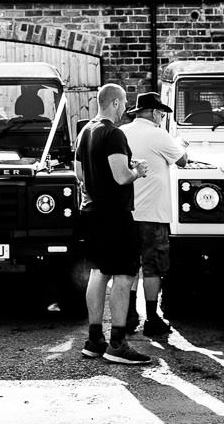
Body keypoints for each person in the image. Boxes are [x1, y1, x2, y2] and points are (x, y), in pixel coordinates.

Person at [75, 83, 154, 365]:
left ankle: (94, 340)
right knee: (124, 274)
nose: (124, 110)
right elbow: (122, 176)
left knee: (99, 271)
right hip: (114, 214)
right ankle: (118, 344)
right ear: (117, 104)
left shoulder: (84, 131)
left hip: (91, 210)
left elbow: (79, 174)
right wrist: (138, 170)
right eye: (124, 104)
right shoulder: (113, 133)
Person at [120, 92, 187, 338]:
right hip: (154, 213)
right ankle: (152, 317)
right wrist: (181, 145)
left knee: (128, 265)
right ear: (156, 112)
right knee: (152, 267)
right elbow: (183, 161)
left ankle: (126, 315)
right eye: (160, 113)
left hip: (127, 211)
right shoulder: (160, 134)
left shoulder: (123, 133)